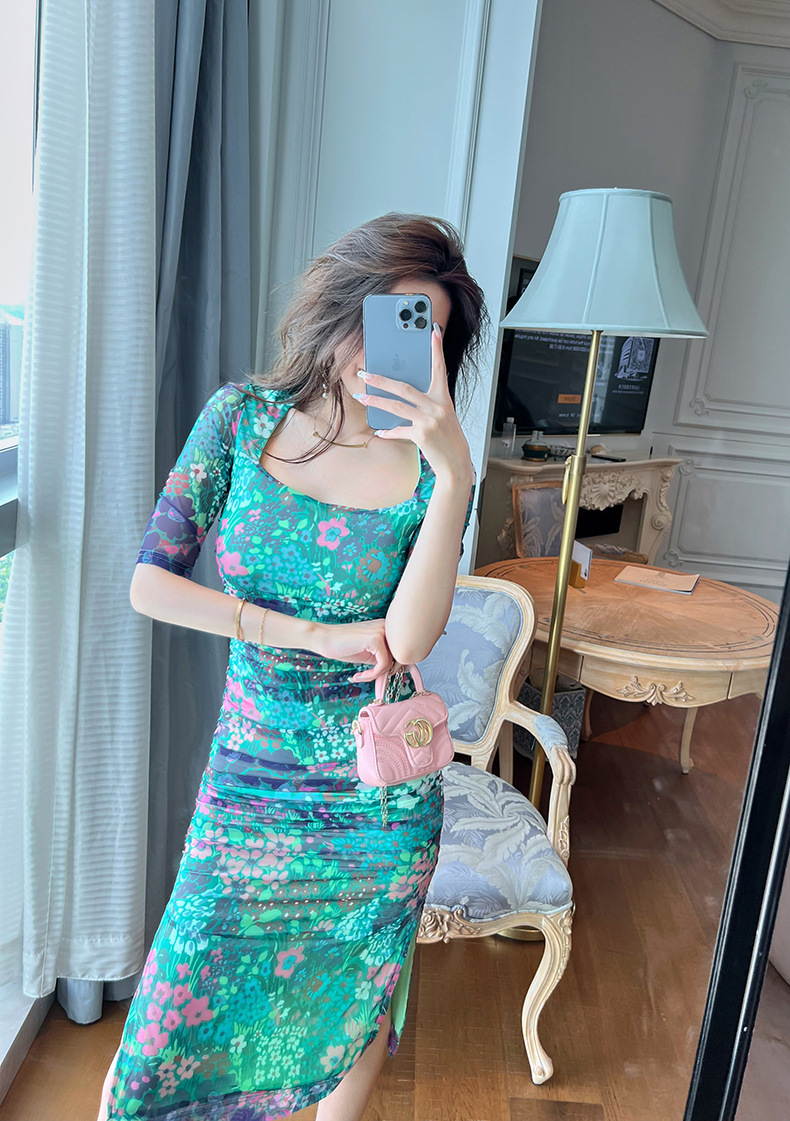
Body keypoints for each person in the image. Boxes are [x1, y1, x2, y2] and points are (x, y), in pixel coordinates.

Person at [96, 212, 488, 1121]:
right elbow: (149, 583)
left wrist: (458, 477)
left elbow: (411, 639)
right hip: (250, 776)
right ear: (345, 303)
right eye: (392, 316)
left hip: (373, 801)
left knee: (351, 1013)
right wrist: (302, 632)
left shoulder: (432, 473)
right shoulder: (241, 420)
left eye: (426, 332)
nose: (399, 347)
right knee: (158, 1039)